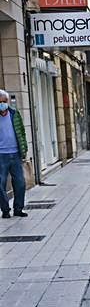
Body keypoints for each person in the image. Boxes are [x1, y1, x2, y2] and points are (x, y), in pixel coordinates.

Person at [0, 89, 28, 219]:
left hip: (16, 154)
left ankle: (18, 208)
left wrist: (24, 149)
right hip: (1, 155)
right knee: (1, 184)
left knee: (20, 183)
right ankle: (5, 210)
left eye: (4, 101)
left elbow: (21, 132)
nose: (2, 104)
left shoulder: (14, 114)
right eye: (0, 102)